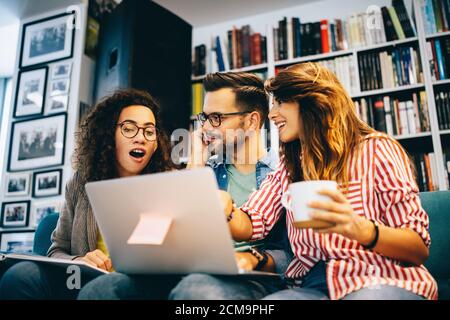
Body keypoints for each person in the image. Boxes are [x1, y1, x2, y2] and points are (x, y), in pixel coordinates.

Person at [172, 62, 438, 300]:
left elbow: (417, 247)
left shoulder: (377, 149)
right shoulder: (290, 165)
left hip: (379, 276)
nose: (272, 114)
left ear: (314, 101)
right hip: (311, 285)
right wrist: (227, 210)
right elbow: (254, 220)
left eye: (280, 103)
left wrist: (360, 228)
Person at [77, 72, 292, 300]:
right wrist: (196, 162)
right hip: (185, 274)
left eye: (216, 118)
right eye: (205, 118)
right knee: (101, 289)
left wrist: (251, 259)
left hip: (249, 279)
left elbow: (290, 253)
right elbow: (180, 237)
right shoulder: (203, 170)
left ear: (252, 121)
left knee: (197, 291)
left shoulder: (281, 173)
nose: (207, 127)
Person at [0, 89, 175, 299]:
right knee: (21, 275)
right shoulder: (79, 185)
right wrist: (79, 261)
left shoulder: (169, 185)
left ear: (156, 144)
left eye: (149, 131)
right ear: (108, 135)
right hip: (79, 280)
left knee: (104, 290)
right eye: (129, 129)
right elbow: (56, 251)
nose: (140, 138)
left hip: (134, 288)